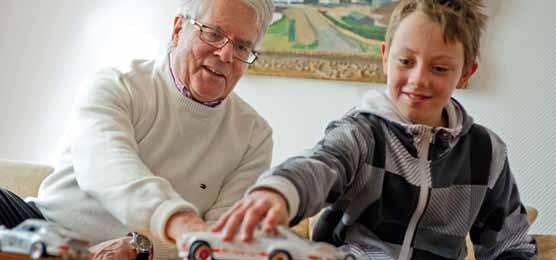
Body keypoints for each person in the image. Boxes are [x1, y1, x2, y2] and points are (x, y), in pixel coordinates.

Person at [211, 0, 538, 259]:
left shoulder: (486, 153)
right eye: (405, 62)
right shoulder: (360, 133)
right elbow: (321, 165)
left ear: (466, 72)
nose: (418, 79)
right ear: (385, 58)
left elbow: (509, 246)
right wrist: (280, 191)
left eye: (439, 68)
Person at [0, 0, 274, 259]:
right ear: (178, 29)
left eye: (241, 47)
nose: (226, 54)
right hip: (45, 230)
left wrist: (142, 247)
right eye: (213, 34)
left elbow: (220, 242)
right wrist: (179, 222)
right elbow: (106, 167)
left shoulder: (254, 136)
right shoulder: (118, 85)